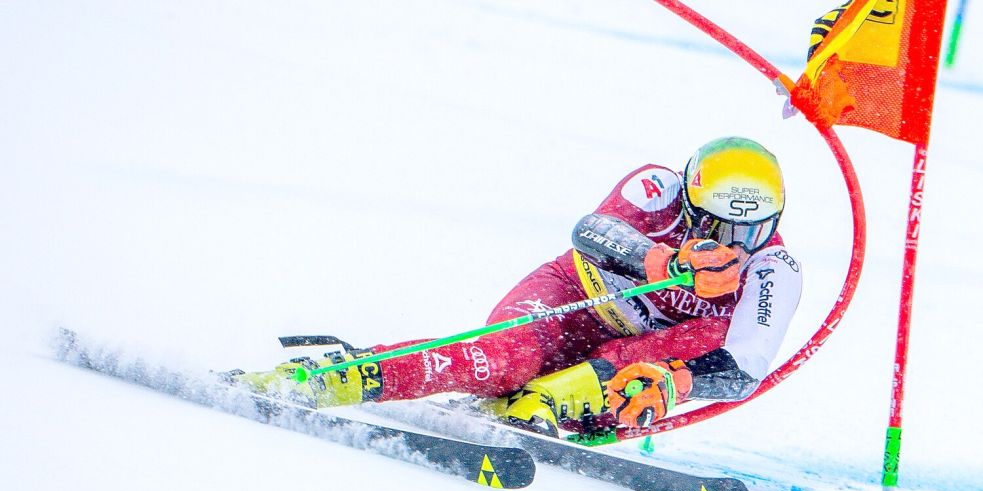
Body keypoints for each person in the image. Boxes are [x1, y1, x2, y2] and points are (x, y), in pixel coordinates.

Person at [233, 136, 803, 436]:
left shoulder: (775, 268)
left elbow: (745, 368)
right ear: (690, 198)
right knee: (499, 361)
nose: (736, 243)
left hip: (629, 355)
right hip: (572, 300)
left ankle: (551, 400)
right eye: (717, 225)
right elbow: (590, 232)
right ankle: (343, 375)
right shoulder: (657, 187)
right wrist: (659, 256)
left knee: (664, 357)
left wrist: (678, 382)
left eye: (754, 229)